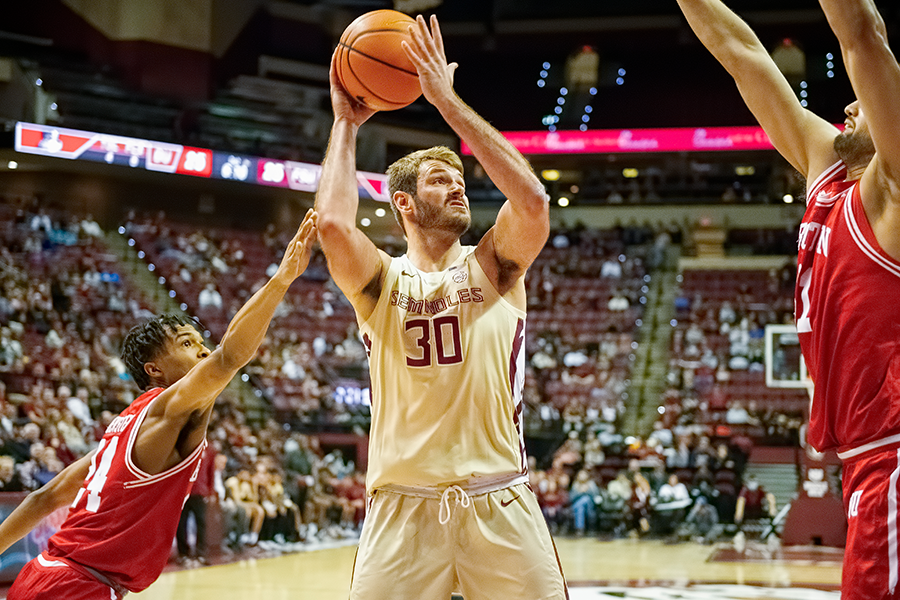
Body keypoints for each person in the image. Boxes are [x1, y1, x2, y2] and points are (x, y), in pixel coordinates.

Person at [315, 14, 567, 599]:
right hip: (402, 509)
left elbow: (531, 199)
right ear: (402, 202)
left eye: (459, 178)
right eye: (438, 179)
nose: (457, 186)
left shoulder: (493, 266)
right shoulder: (382, 281)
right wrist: (345, 124)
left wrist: (446, 102)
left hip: (499, 500)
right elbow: (331, 224)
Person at [676, 0, 900, 596]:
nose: (848, 105)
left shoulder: (894, 192)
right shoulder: (827, 166)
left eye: (865, 101)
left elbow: (862, 32)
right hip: (864, 454)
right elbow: (743, 55)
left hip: (892, 451)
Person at [0, 210, 317, 599]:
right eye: (187, 344)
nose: (202, 350)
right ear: (155, 370)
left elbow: (44, 498)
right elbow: (229, 356)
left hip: (45, 575)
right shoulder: (169, 409)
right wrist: (282, 279)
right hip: (76, 586)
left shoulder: (121, 429)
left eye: (200, 342)